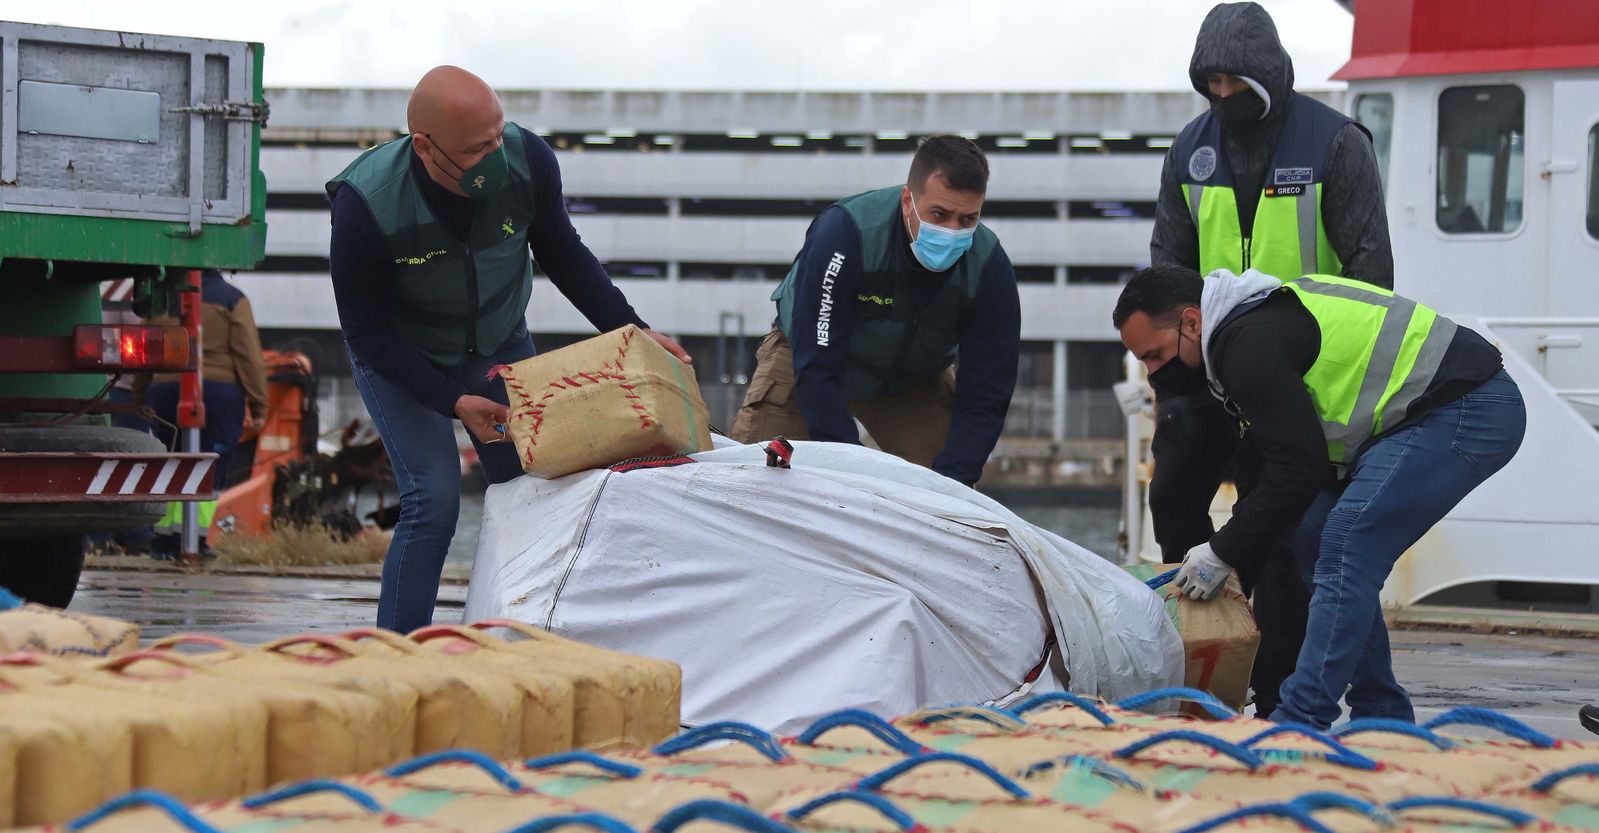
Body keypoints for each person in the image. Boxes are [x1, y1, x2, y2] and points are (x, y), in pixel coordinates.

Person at [326, 66, 689, 634]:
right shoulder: (367, 205)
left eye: (499, 135)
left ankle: (520, 630)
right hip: (405, 357)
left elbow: (564, 254)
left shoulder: (529, 161)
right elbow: (367, 333)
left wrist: (634, 331)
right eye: (478, 148)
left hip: (496, 343)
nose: (496, 155)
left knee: (531, 487)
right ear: (425, 147)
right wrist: (452, 400)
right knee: (434, 500)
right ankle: (394, 652)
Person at [1114, 266, 1522, 730]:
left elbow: (1298, 466)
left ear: (1191, 322)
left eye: (1155, 355)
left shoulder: (1246, 345)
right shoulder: (1247, 329)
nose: (1152, 373)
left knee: (1346, 544)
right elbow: (1276, 464)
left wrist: (1222, 550)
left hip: (1468, 407)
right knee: (1312, 537)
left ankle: (1302, 718)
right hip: (1416, 417)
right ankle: (1383, 714)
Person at [1145, 0, 1393, 719]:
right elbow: (1169, 272)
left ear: (1267, 75)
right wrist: (1181, 391)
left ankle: (1279, 694)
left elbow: (1372, 279)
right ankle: (1197, 660)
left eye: (1233, 82)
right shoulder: (1188, 152)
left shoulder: (1337, 147)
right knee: (1173, 498)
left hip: (1302, 377)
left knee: (1283, 531)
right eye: (1209, 82)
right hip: (1214, 371)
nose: (1221, 96)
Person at [728, 135, 1020, 487]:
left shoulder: (989, 266)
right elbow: (818, 363)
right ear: (908, 201)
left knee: (945, 494)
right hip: (805, 362)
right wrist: (851, 476)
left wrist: (953, 485)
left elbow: (987, 390)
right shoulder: (846, 233)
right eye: (939, 215)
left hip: (913, 382)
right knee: (751, 484)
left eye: (967, 219)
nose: (952, 231)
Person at [139, 270, 271, 558]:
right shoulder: (232, 299)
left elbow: (143, 350)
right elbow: (248, 356)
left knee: (170, 463)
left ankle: (164, 541)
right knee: (211, 466)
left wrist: (140, 397)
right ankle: (194, 543)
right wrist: (260, 402)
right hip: (219, 394)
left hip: (163, 389)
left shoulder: (161, 299)